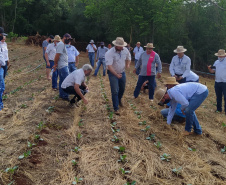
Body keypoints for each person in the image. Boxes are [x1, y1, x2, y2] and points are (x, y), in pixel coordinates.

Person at [105, 37, 131, 115]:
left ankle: (119, 100)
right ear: (116, 45)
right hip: (113, 74)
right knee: (115, 91)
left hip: (122, 73)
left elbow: (129, 57)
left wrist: (128, 64)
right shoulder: (109, 53)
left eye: (123, 46)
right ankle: (116, 108)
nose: (122, 47)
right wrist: (116, 75)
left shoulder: (125, 50)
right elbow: (109, 66)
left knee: (122, 89)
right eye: (120, 46)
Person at [207, 49, 226, 115]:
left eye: (221, 56)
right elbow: (213, 71)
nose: (220, 57)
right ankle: (219, 109)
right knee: (218, 96)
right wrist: (209, 69)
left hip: (225, 82)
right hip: (217, 81)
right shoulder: (216, 62)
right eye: (219, 56)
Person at [53, 33, 71, 101]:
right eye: (68, 39)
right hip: (63, 66)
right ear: (64, 37)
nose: (69, 41)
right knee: (66, 81)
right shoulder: (61, 44)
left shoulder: (61, 44)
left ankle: (61, 94)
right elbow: (57, 55)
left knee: (62, 81)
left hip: (62, 66)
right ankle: (65, 95)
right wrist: (55, 64)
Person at [0, 27, 7, 111]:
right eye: (2, 35)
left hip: (3, 64)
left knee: (1, 84)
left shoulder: (3, 44)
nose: (3, 37)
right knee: (1, 85)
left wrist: (6, 60)